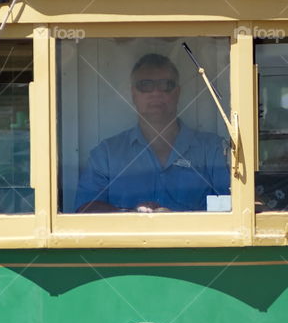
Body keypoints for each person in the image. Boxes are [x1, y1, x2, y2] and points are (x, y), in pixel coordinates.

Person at [74, 52, 230, 212]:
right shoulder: (106, 154)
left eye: (166, 85)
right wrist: (131, 215)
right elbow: (85, 209)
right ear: (133, 94)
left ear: (177, 92)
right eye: (145, 85)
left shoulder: (212, 150)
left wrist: (178, 220)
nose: (156, 93)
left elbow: (237, 207)